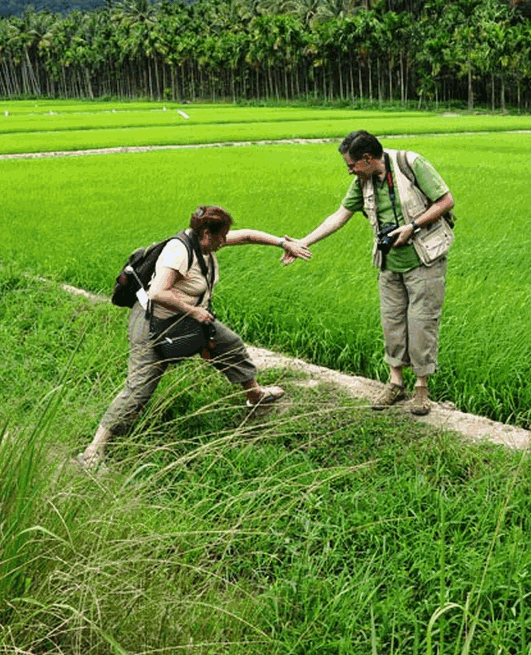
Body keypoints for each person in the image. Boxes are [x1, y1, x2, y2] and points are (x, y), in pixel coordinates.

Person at [79, 205, 311, 466]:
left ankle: (255, 396)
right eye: (221, 236)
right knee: (139, 389)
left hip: (185, 319)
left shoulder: (207, 241)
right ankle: (94, 448)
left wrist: (283, 243)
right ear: (204, 233)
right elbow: (158, 292)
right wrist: (194, 311)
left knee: (230, 345)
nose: (225, 241)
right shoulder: (179, 252)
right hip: (151, 325)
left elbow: (245, 236)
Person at [285, 130, 454, 416]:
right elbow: (339, 216)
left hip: (424, 258)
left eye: (351, 165)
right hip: (388, 261)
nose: (349, 171)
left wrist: (412, 227)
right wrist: (302, 242)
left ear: (366, 159)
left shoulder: (410, 163)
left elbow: (445, 201)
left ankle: (421, 389)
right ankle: (395, 383)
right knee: (392, 322)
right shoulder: (362, 182)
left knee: (421, 322)